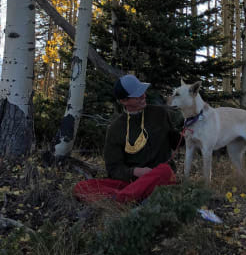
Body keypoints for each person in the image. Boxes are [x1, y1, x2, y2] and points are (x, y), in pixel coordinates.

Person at [73, 74, 182, 203]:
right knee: (81, 187)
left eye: (143, 92)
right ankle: (132, 198)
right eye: (137, 95)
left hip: (158, 178)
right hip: (132, 182)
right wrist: (136, 171)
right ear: (124, 101)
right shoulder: (115, 128)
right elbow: (114, 169)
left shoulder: (160, 113)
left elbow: (176, 142)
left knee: (165, 171)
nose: (143, 96)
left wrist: (189, 133)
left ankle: (122, 199)